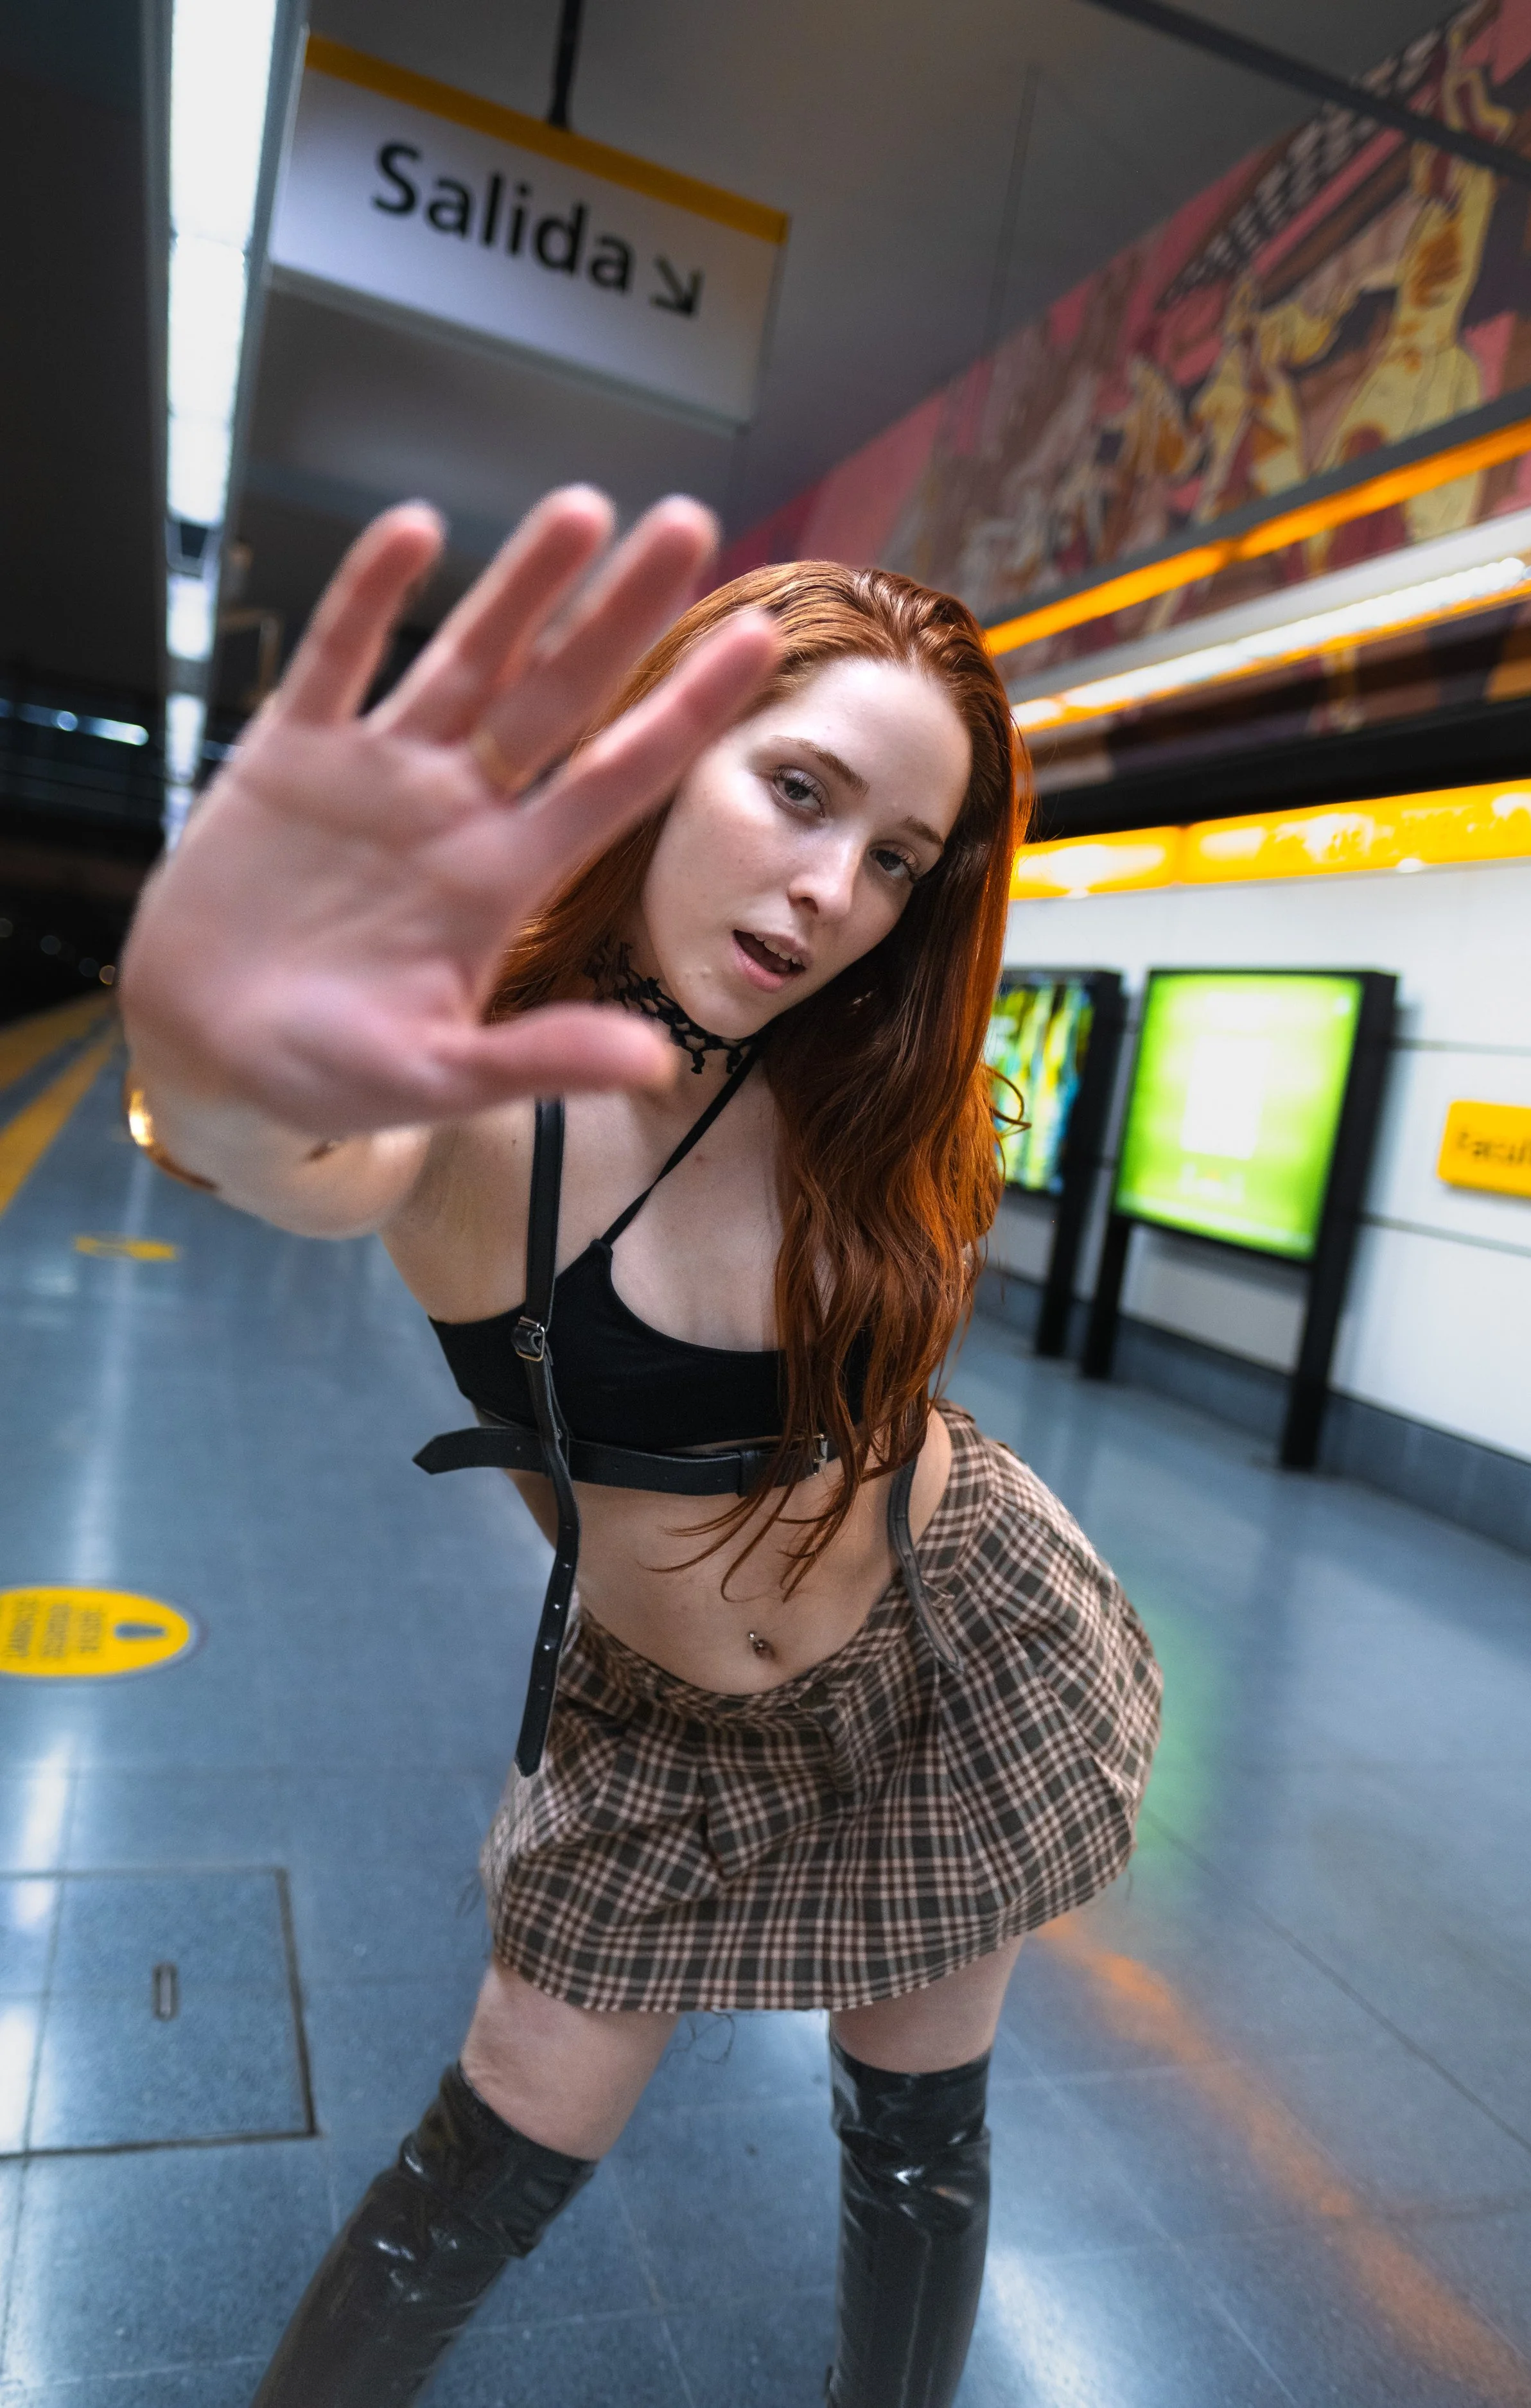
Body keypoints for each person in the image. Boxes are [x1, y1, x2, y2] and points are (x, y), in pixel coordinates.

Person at [121, 484, 1162, 2408]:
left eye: (899, 860)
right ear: (665, 752)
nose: (833, 893)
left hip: (954, 1648)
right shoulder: (473, 1089)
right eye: (797, 789)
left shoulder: (852, 1090)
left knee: (918, 2133)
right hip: (659, 1734)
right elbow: (284, 1139)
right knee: (493, 2149)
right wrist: (203, 1038)